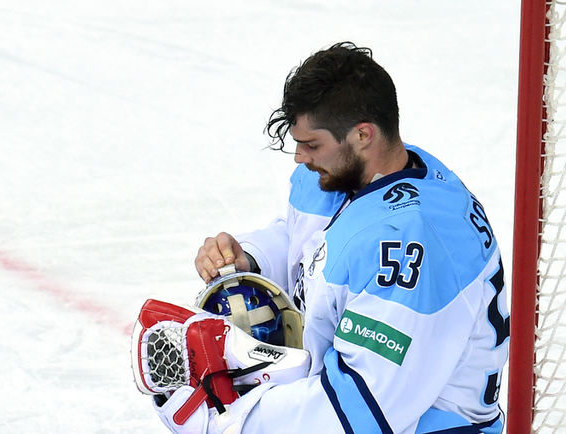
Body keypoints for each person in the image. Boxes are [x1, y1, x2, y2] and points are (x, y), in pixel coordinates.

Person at [178, 41, 509, 433]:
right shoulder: (339, 174)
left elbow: (363, 410)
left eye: (312, 144)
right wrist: (249, 258)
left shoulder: (412, 244)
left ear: (363, 135)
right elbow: (312, 243)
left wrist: (228, 423)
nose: (300, 157)